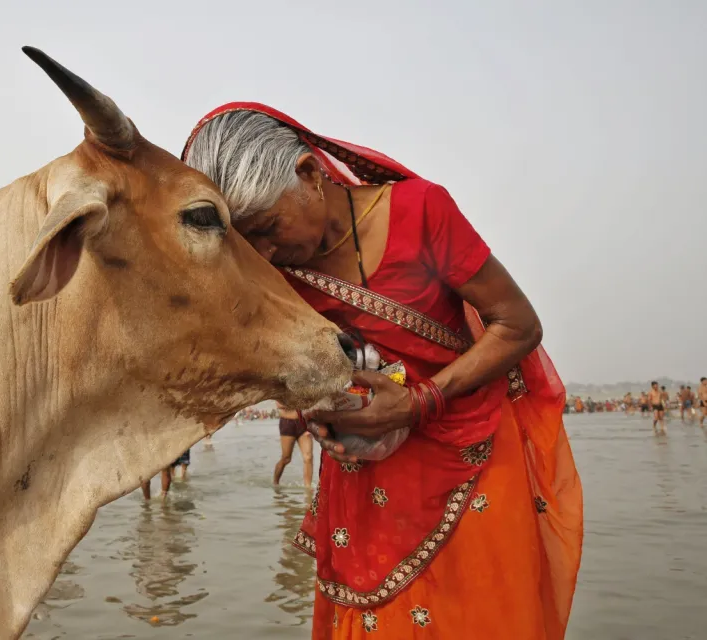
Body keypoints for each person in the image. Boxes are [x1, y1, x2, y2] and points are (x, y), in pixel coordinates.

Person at [183, 105, 583, 639]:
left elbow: (517, 325)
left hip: (472, 453)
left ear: (309, 174)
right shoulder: (273, 273)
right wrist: (325, 422)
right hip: (367, 475)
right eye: (248, 242)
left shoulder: (422, 212)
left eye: (268, 228)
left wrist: (420, 402)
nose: (265, 253)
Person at [275, 401, 315, 487]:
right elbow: (280, 405)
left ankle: (308, 489)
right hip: (287, 423)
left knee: (308, 457)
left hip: (304, 424)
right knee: (286, 458)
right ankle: (275, 483)